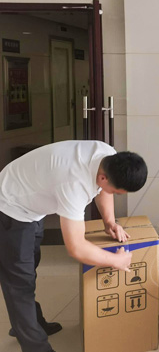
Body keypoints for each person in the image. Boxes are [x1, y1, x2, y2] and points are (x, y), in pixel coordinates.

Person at [0, 140, 148, 352]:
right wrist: (116, 260)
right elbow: (76, 247)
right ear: (103, 178)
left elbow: (104, 190)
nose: (114, 194)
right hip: (10, 208)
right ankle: (35, 345)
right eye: (117, 192)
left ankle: (29, 323)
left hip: (31, 203)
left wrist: (109, 222)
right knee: (19, 282)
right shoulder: (73, 184)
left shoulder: (107, 155)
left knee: (29, 269)